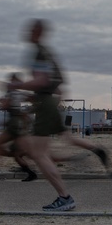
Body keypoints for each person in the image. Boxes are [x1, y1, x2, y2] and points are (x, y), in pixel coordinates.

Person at [9, 19, 76, 211]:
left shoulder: (39, 52)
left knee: (38, 154)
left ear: (38, 31)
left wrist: (17, 85)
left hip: (45, 103)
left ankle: (65, 197)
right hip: (47, 102)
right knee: (42, 152)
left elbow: (41, 81)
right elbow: (55, 82)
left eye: (31, 29)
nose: (27, 32)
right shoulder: (46, 52)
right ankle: (65, 194)